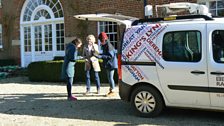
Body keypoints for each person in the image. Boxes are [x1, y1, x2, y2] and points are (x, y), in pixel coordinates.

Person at [98, 32, 118, 96]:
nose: (100, 42)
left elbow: (110, 56)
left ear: (104, 40)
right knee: (109, 78)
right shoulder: (106, 45)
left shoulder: (109, 45)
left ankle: (112, 91)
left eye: (101, 41)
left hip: (111, 64)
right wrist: (99, 55)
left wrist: (100, 56)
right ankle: (111, 90)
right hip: (109, 64)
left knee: (110, 78)